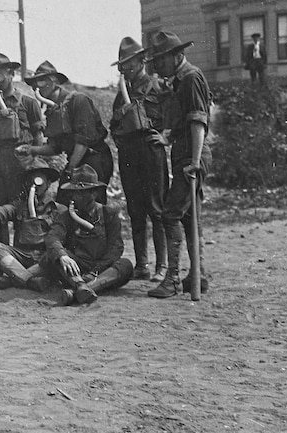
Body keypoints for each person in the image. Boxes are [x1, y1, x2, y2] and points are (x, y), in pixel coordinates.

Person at [146, 31, 212, 298]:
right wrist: (167, 137)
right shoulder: (178, 81)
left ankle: (172, 279)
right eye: (157, 60)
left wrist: (194, 162)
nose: (158, 65)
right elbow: (183, 121)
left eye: (163, 59)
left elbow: (198, 122)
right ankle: (199, 274)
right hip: (184, 153)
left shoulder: (191, 78)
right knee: (188, 216)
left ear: (178, 56)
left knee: (171, 214)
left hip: (192, 156)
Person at [109, 37, 169, 282]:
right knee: (135, 210)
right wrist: (122, 140)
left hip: (151, 152)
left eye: (130, 63)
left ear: (142, 60)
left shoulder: (157, 87)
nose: (126, 69)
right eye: (122, 65)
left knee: (157, 209)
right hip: (130, 154)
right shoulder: (122, 94)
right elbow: (114, 126)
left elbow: (173, 116)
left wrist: (165, 137)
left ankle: (162, 266)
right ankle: (142, 264)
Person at [19, 61, 113, 202]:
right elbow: (55, 147)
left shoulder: (78, 101)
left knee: (91, 205)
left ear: (53, 82)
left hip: (94, 160)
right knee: (64, 203)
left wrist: (70, 169)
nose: (36, 88)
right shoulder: (53, 110)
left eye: (40, 82)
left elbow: (83, 142)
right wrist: (32, 149)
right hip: (75, 162)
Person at [40, 165, 133, 305]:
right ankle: (81, 287)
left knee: (126, 265)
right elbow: (53, 236)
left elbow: (116, 248)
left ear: (94, 193)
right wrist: (63, 255)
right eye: (75, 192)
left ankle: (80, 290)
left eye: (83, 192)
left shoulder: (109, 214)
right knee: (53, 255)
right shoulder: (67, 216)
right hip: (76, 267)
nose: (77, 196)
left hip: (101, 269)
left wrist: (94, 272)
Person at [0, 52, 45, 242]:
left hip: (21, 161)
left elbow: (38, 137)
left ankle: (21, 253)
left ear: (11, 74)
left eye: (0, 73)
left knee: (21, 208)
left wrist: (35, 165)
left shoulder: (29, 103)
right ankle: (0, 256)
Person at [0, 163, 62, 292]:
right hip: (21, 255)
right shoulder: (19, 206)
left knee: (57, 255)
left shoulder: (57, 209)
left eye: (39, 179)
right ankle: (31, 281)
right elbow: (4, 211)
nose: (34, 184)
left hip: (43, 257)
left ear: (48, 183)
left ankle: (9, 281)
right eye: (31, 180)